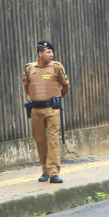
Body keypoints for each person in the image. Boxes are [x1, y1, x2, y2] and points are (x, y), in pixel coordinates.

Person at [22, 40, 70, 183]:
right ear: (40, 53)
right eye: (48, 52)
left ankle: (54, 172)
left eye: (52, 52)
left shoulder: (56, 67)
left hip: (52, 109)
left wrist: (55, 98)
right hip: (36, 109)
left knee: (53, 140)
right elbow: (26, 87)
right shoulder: (30, 68)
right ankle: (45, 170)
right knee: (40, 140)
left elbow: (66, 86)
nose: (51, 54)